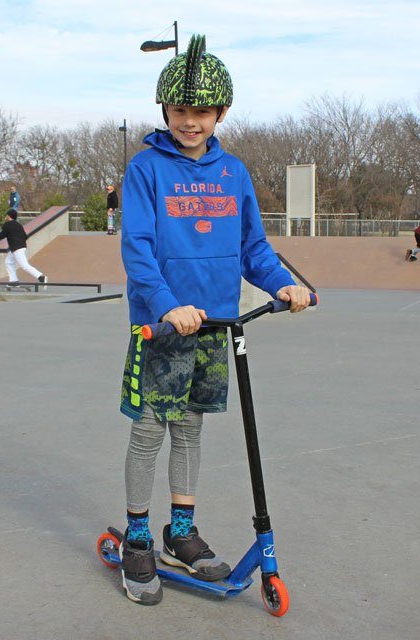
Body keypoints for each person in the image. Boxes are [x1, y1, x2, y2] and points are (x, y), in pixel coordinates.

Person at [117, 34, 312, 606]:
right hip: (163, 323)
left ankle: (180, 532)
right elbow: (138, 247)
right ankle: (136, 537)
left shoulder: (234, 173)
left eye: (202, 111)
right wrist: (164, 304)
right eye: (180, 110)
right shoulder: (146, 169)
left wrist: (283, 284)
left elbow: (254, 246)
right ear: (165, 111)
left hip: (217, 323)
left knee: (191, 428)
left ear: (220, 112)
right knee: (151, 429)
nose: (190, 121)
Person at [0, 209, 46, 285]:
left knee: (24, 265)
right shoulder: (19, 225)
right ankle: (14, 281)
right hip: (20, 246)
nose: (6, 216)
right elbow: (25, 236)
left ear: (9, 216)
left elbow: (0, 236)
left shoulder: (7, 224)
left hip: (16, 248)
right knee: (8, 262)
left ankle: (41, 277)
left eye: (7, 215)